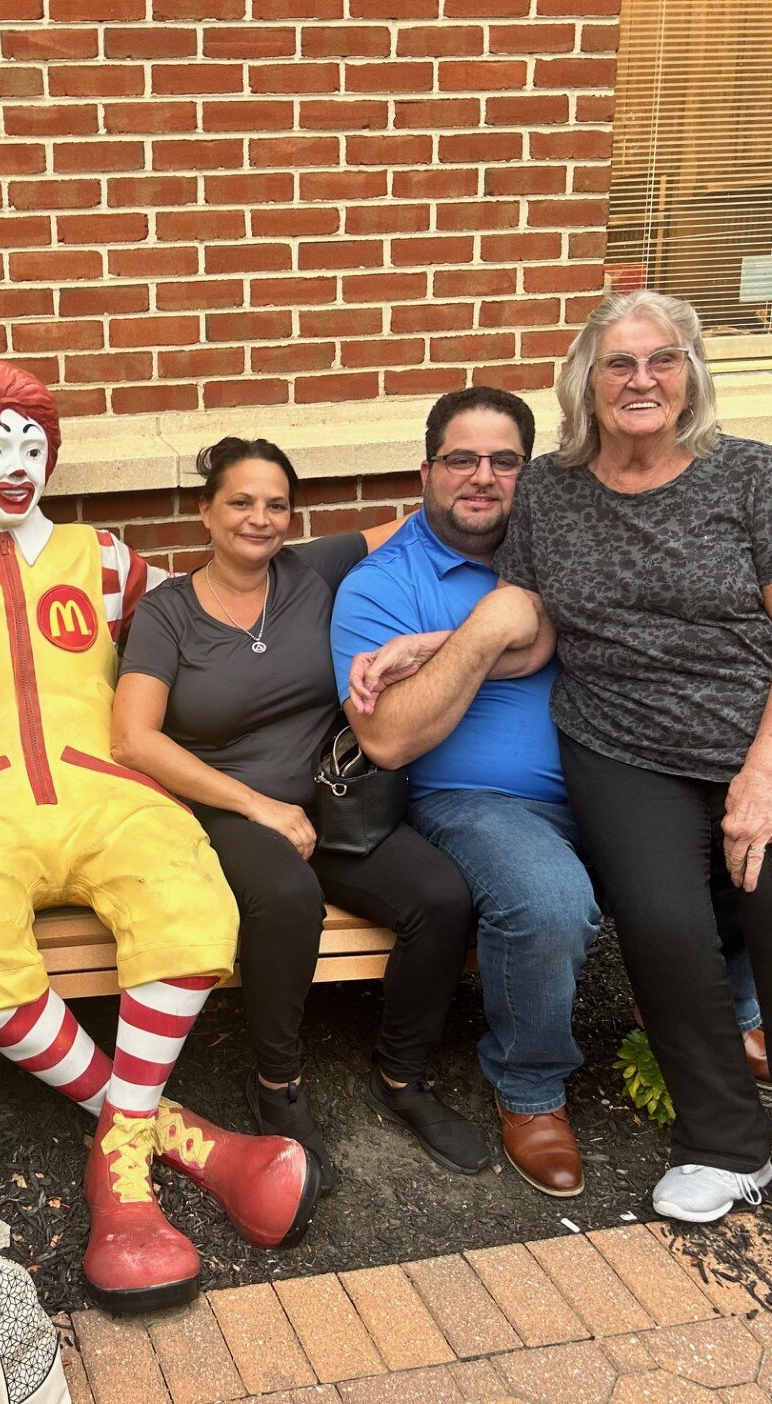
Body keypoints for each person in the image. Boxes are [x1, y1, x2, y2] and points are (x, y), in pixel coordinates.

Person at [334, 386, 772, 1200]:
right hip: (482, 801)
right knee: (547, 899)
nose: (483, 478)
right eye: (461, 460)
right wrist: (485, 625)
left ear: (531, 476)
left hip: (616, 771)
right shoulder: (379, 589)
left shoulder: (565, 539)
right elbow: (388, 737)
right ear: (424, 470)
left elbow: (692, 581)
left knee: (733, 834)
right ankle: (532, 1089)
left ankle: (730, 1017)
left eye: (505, 461)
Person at [0, 360, 317, 1314]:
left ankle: (117, 1159)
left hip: (107, 786)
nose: (16, 466)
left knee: (190, 897)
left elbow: (211, 600)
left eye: (32, 448)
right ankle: (184, 1141)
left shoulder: (107, 558)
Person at [492, 290, 772, 1278]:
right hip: (622, 742)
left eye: (661, 360)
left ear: (690, 374)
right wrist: (423, 646)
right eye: (619, 363)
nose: (640, 380)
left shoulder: (747, 477)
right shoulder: (549, 489)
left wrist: (762, 777)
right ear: (586, 378)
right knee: (663, 929)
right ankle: (723, 1142)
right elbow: (531, 621)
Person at [111, 437, 483, 1190]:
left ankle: (402, 1079)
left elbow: (431, 518)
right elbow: (132, 738)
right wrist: (257, 805)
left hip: (333, 806)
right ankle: (276, 1084)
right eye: (241, 503)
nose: (261, 519)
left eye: (276, 504)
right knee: (287, 895)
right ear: (205, 512)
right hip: (222, 811)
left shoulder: (316, 570)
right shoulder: (168, 614)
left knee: (442, 897)